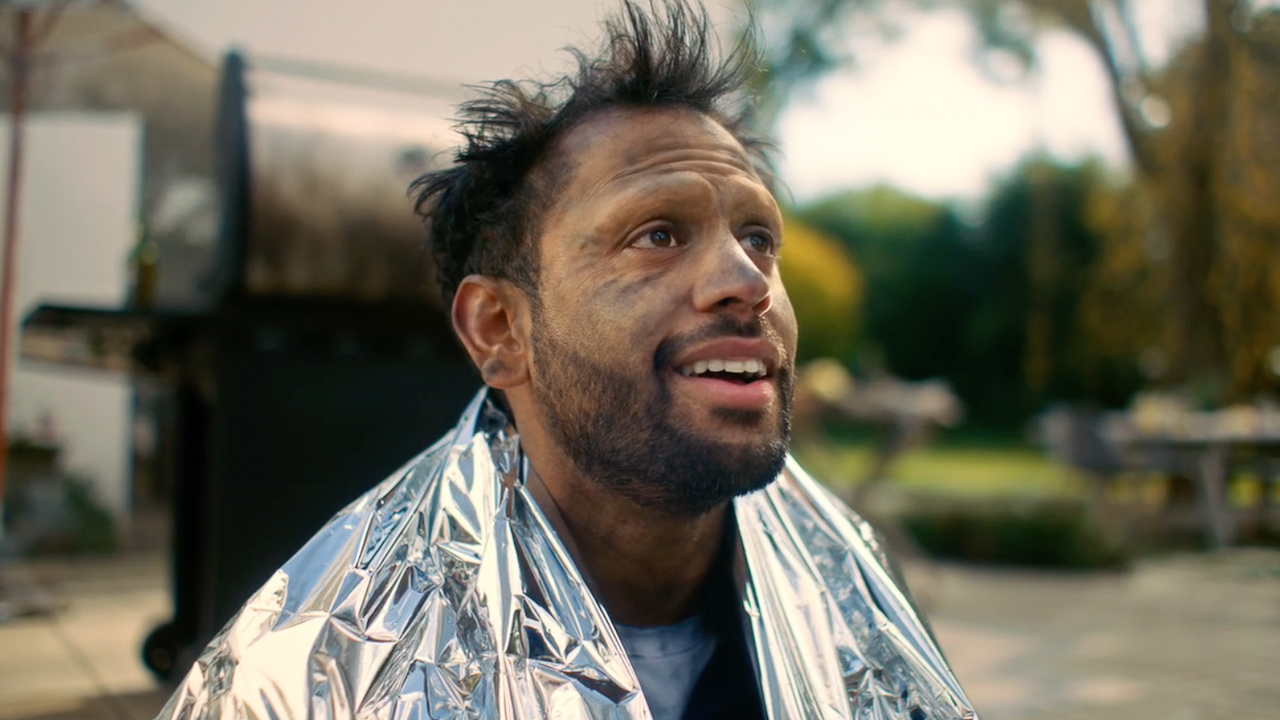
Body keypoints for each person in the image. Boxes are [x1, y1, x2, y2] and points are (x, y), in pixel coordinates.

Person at [157, 2, 977, 719]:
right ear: (499, 330)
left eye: (759, 237)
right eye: (658, 234)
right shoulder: (317, 674)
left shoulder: (852, 591)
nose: (746, 281)